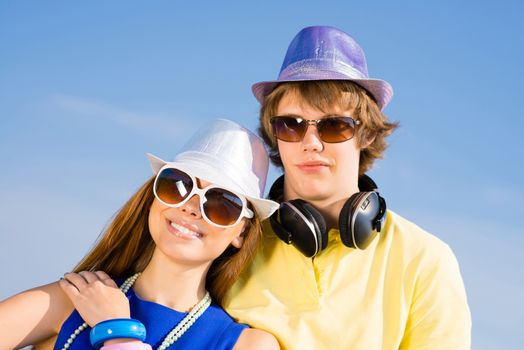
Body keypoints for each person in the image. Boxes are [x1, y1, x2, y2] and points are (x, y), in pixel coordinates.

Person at [224, 26, 472, 349]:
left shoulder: (426, 261)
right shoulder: (231, 244)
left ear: (367, 133)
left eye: (334, 126)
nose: (310, 143)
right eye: (291, 125)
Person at [0, 119, 280, 349]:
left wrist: (117, 330)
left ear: (241, 232)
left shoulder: (247, 344)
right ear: (153, 198)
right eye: (178, 185)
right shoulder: (72, 300)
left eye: (222, 203)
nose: (191, 208)